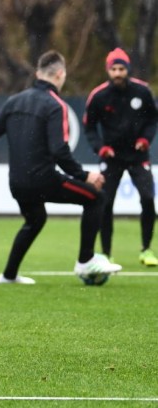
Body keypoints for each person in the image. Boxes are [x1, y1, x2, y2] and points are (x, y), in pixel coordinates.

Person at [0, 50, 122, 285]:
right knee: (96, 198)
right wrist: (84, 175)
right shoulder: (55, 105)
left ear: (37, 74)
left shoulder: (15, 101)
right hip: (43, 180)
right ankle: (86, 261)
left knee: (35, 220)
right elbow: (59, 151)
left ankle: (8, 276)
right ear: (61, 74)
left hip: (17, 183)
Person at [83, 48, 158, 266]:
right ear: (108, 70)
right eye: (113, 69)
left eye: (121, 69)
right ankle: (106, 253)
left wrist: (145, 139)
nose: (117, 73)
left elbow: (153, 120)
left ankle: (146, 250)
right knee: (105, 203)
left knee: (148, 199)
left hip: (138, 156)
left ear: (128, 69)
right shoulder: (98, 96)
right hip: (111, 157)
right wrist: (101, 148)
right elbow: (89, 127)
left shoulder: (142, 92)